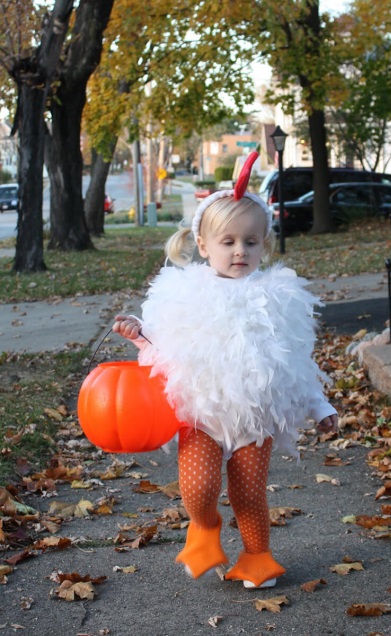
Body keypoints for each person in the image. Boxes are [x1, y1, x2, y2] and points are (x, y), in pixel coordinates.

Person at [112, 151, 338, 589]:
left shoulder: (279, 298)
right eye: (228, 242)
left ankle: (257, 558)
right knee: (198, 492)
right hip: (200, 417)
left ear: (264, 245)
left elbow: (296, 362)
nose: (240, 251)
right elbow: (163, 351)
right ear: (203, 245)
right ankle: (204, 527)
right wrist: (141, 335)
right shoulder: (183, 295)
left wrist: (319, 404)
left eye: (251, 243)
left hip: (255, 420)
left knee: (250, 496)